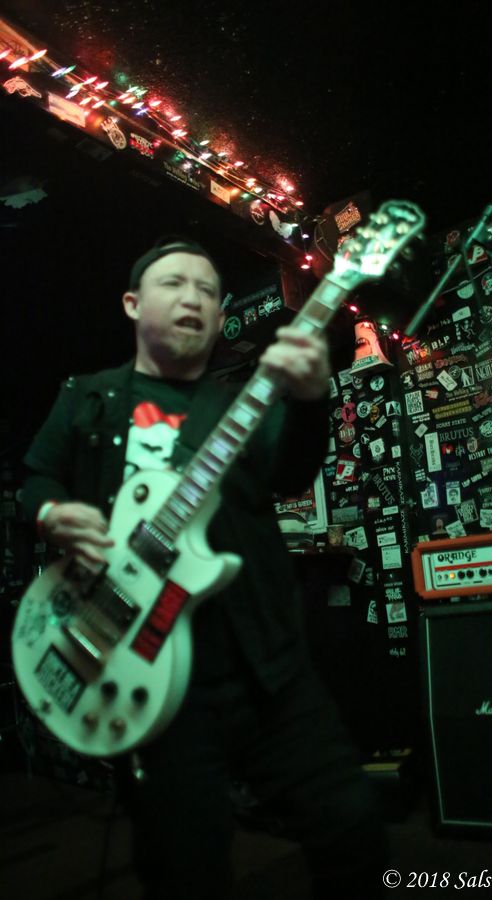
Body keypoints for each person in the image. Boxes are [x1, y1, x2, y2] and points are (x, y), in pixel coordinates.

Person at [21, 237, 388, 899]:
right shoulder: (89, 397)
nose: (193, 296)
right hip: (151, 678)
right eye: (173, 283)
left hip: (265, 667)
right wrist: (51, 512)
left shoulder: (240, 405)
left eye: (208, 290)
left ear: (222, 319)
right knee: (185, 871)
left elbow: (292, 472)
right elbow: (37, 478)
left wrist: (311, 400)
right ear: (133, 304)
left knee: (353, 827)